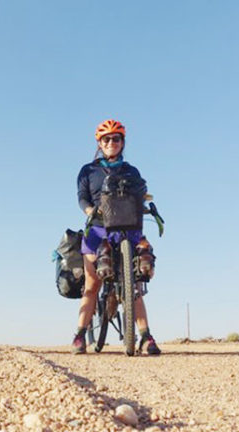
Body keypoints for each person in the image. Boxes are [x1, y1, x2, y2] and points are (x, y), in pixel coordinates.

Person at [72, 119, 161, 355]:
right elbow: (82, 197)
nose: (111, 142)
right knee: (92, 286)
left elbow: (140, 194)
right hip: (99, 229)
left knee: (135, 286)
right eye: (106, 139)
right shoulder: (88, 171)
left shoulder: (131, 171)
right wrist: (90, 211)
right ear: (99, 143)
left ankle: (145, 337)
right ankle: (80, 336)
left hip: (128, 228)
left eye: (116, 139)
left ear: (123, 142)